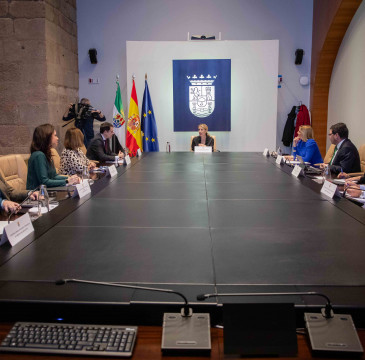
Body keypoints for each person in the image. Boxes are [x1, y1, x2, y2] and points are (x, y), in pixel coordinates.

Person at [27, 124, 80, 189]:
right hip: (36, 195)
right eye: (55, 135)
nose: (57, 138)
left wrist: (70, 177)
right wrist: (67, 181)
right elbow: (44, 182)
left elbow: (54, 176)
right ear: (47, 137)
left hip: (47, 191)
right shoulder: (38, 155)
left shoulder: (46, 153)